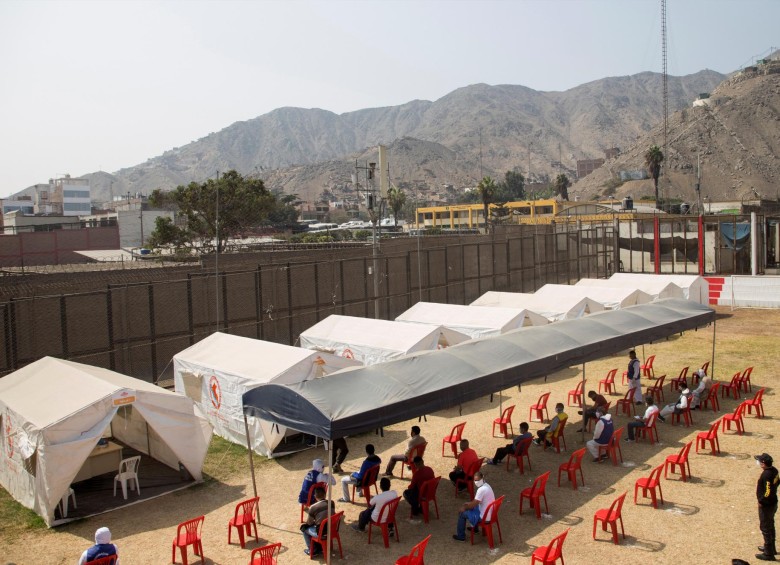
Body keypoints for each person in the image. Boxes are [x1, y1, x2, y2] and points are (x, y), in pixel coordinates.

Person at [452, 471, 495, 542]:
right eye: (475, 480)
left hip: (484, 517)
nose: (476, 482)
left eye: (478, 480)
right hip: (490, 513)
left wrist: (464, 507)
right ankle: (475, 529)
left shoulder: (481, 490)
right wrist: (469, 503)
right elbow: (477, 502)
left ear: (482, 478)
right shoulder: (487, 485)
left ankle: (461, 536)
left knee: (462, 513)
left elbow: (473, 504)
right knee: (474, 507)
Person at [755, 453, 778, 561]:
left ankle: (768, 554)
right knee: (770, 525)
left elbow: (767, 492)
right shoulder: (775, 471)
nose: (759, 462)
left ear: (764, 463)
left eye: (760, 461)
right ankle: (771, 547)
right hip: (773, 503)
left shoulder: (766, 475)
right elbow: (777, 483)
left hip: (767, 505)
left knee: (765, 528)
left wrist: (761, 501)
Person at [301, 486, 335, 557]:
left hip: (322, 533)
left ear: (315, 496)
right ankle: (319, 547)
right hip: (332, 529)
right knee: (317, 525)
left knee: (304, 529)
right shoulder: (331, 503)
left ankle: (312, 550)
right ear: (325, 495)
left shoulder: (313, 507)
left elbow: (309, 523)